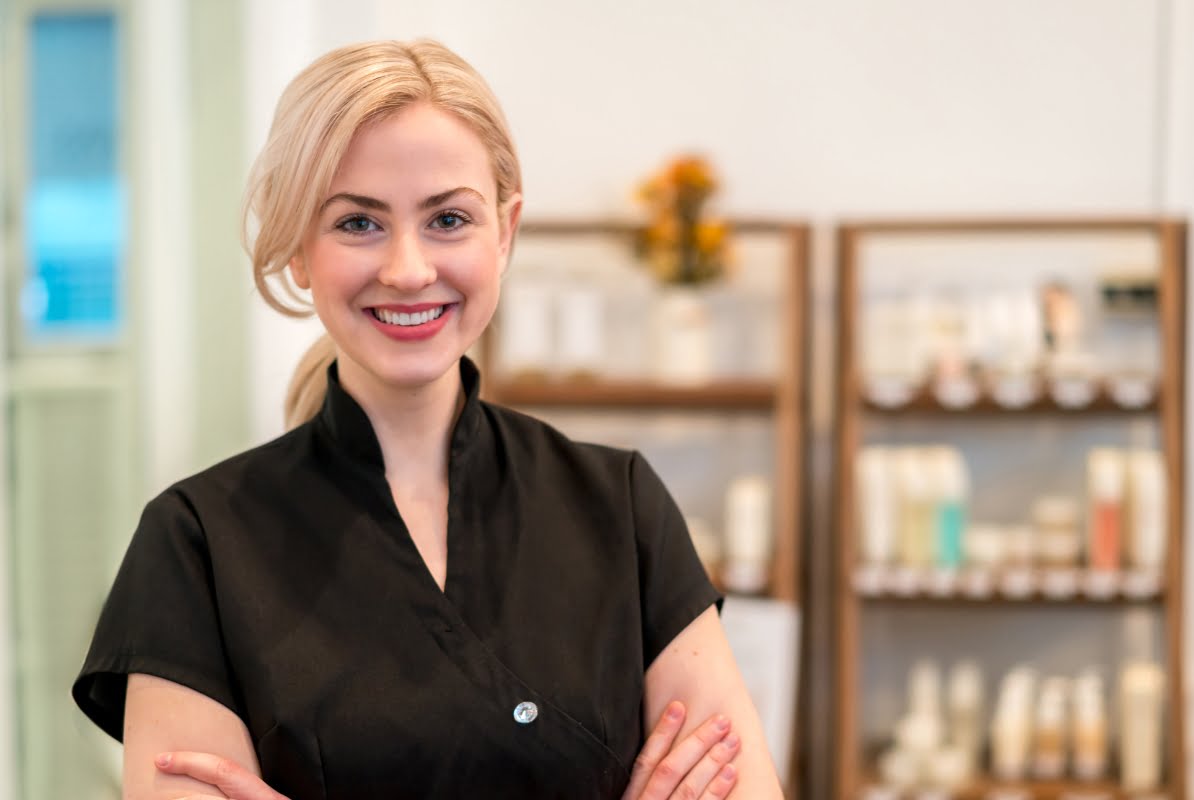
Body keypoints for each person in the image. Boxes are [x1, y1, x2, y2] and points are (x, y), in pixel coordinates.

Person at [72, 39, 783, 800]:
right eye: (357, 224)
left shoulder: (620, 508)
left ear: (505, 232)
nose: (408, 269)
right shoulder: (197, 544)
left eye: (448, 218)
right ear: (299, 249)